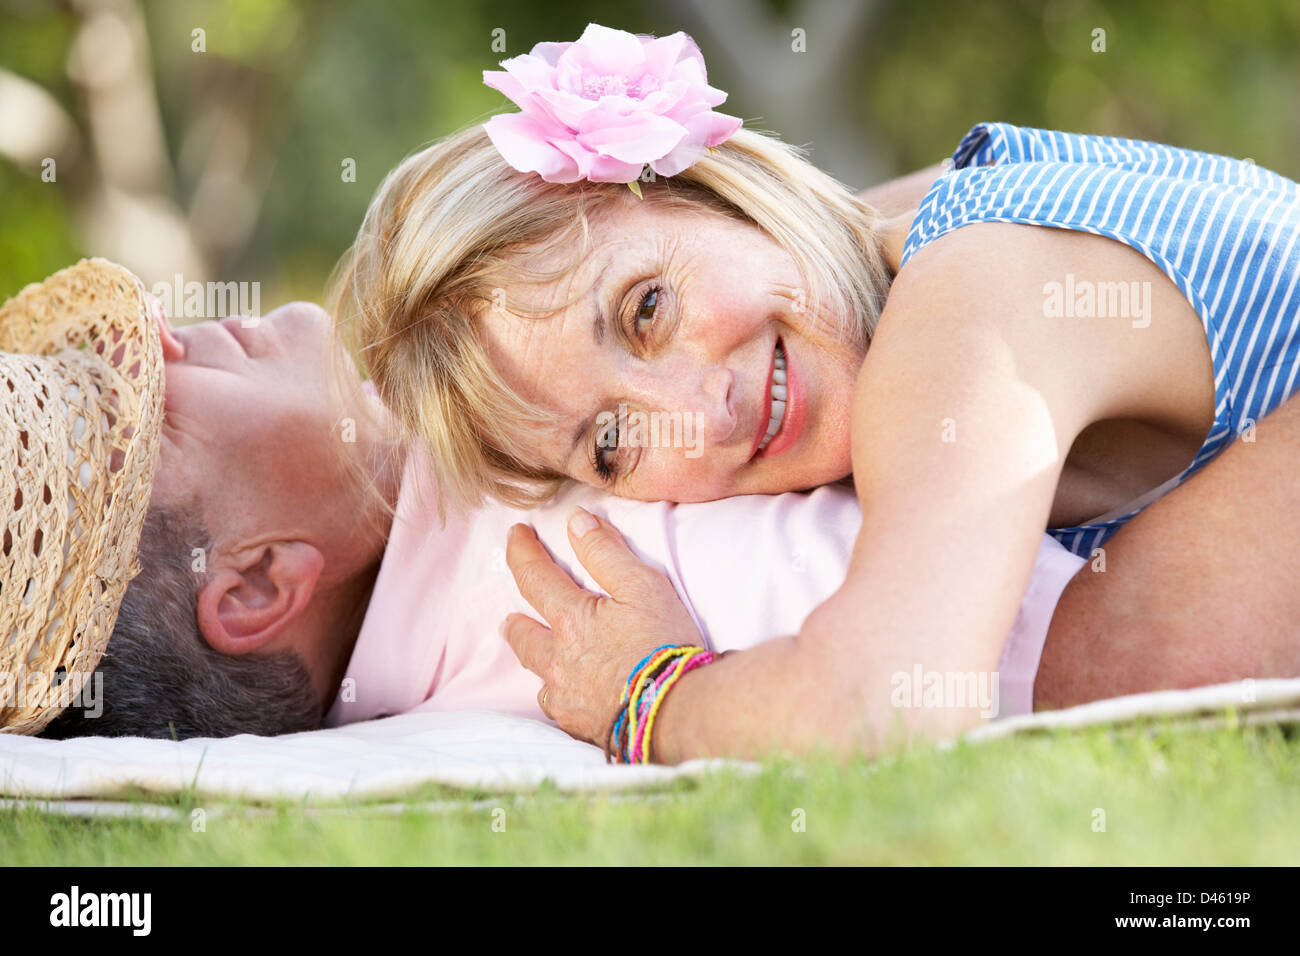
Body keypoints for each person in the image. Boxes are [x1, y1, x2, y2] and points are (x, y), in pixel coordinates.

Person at [335, 24, 1300, 760]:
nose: (699, 413)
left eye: (646, 309)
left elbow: (890, 705)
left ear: (709, 186)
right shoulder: (870, 256)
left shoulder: (967, 301)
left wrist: (648, 694)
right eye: (612, 446)